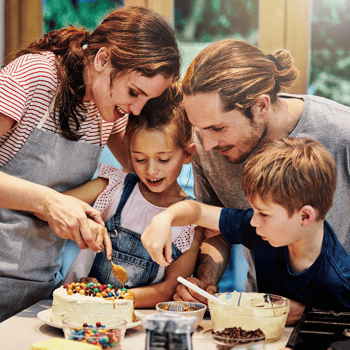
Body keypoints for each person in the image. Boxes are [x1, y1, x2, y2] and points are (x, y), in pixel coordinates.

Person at [141, 38, 350, 324]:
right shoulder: (206, 144)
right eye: (200, 129)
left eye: (218, 127)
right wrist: (206, 281)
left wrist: (316, 313)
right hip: (263, 316)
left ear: (260, 105)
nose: (208, 144)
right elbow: (216, 226)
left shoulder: (342, 133)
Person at [0, 5, 180, 321]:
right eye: (134, 92)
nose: (137, 110)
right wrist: (48, 202)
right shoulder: (34, 76)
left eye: (146, 101)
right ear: (102, 59)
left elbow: (144, 173)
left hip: (38, 290)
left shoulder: (108, 110)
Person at [143, 137, 350, 311]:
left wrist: (305, 313)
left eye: (263, 213)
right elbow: (197, 212)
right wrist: (164, 219)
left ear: (305, 217)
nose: (252, 220)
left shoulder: (339, 281)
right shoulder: (263, 229)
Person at [61, 82, 203, 308]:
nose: (151, 170)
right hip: (76, 310)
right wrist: (84, 221)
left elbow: (168, 289)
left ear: (188, 153)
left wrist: (104, 297)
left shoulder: (191, 222)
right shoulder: (113, 186)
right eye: (139, 158)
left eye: (163, 159)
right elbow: (53, 205)